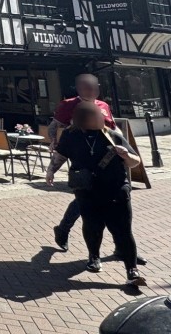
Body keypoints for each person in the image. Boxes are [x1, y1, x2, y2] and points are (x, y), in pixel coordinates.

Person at [46, 102, 145, 286]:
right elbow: (61, 155)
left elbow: (135, 162)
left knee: (122, 229)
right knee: (92, 226)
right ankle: (94, 256)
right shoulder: (70, 135)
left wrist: (125, 155)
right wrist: (51, 170)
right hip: (87, 189)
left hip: (115, 189)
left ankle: (132, 269)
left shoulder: (112, 134)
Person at [48, 73, 120, 252]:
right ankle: (64, 229)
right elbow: (54, 127)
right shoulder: (68, 105)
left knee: (116, 201)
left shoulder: (104, 105)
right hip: (83, 157)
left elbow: (113, 128)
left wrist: (124, 145)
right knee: (85, 198)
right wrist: (55, 144)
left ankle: (122, 245)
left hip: (108, 159)